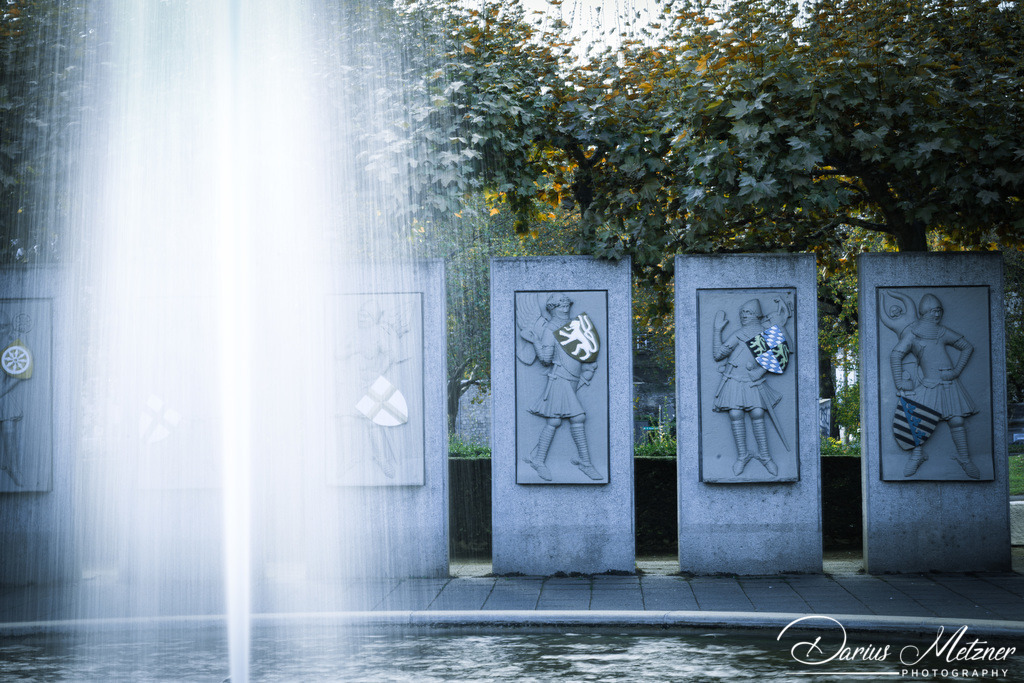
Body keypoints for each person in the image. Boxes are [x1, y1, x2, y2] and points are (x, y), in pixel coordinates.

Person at [890, 293, 979, 478]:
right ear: (924, 312)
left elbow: (967, 347)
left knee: (957, 421)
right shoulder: (913, 334)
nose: (937, 315)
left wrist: (955, 371)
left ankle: (964, 459)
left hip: (948, 382)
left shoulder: (942, 331)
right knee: (915, 419)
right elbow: (896, 354)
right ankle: (917, 455)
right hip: (928, 384)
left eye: (939, 311)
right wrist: (899, 381)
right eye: (933, 311)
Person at [522, 294, 601, 481]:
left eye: (567, 305)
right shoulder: (550, 330)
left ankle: (538, 459)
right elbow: (545, 359)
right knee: (578, 417)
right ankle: (585, 462)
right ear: (552, 308)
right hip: (559, 378)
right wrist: (534, 341)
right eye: (560, 306)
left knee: (554, 421)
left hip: (572, 378)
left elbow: (586, 352)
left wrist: (587, 371)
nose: (565, 309)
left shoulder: (575, 325)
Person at [712, 299, 780, 477]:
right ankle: (743, 456)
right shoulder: (739, 334)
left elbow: (778, 359)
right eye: (742, 313)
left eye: (748, 312)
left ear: (757, 314)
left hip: (752, 381)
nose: (743, 316)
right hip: (734, 379)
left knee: (757, 413)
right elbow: (718, 355)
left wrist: (760, 372)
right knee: (735, 414)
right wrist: (717, 330)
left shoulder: (765, 333)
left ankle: (765, 456)